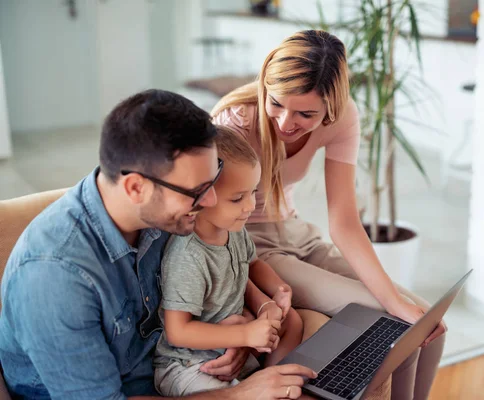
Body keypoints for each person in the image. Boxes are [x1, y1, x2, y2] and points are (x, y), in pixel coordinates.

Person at [0, 89, 315, 399]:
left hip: (178, 367)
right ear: (136, 188)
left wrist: (242, 330)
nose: (210, 200)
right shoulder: (54, 277)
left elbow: (223, 270)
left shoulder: (166, 213)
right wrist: (243, 394)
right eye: (197, 190)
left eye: (213, 178)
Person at [212, 30, 447, 400]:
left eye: (306, 113)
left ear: (331, 109)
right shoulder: (235, 123)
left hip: (298, 233)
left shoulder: (344, 118)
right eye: (277, 104)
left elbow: (344, 221)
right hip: (255, 246)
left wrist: (398, 298)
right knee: (399, 321)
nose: (286, 122)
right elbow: (210, 223)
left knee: (431, 321)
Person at [154, 126, 303, 396]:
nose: (249, 206)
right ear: (201, 198)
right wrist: (246, 335)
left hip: (234, 336)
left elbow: (253, 265)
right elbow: (178, 331)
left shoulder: (234, 230)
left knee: (293, 322)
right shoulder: (188, 256)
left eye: (252, 193)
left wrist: (276, 292)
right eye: (237, 198)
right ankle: (264, 384)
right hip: (192, 364)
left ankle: (273, 377)